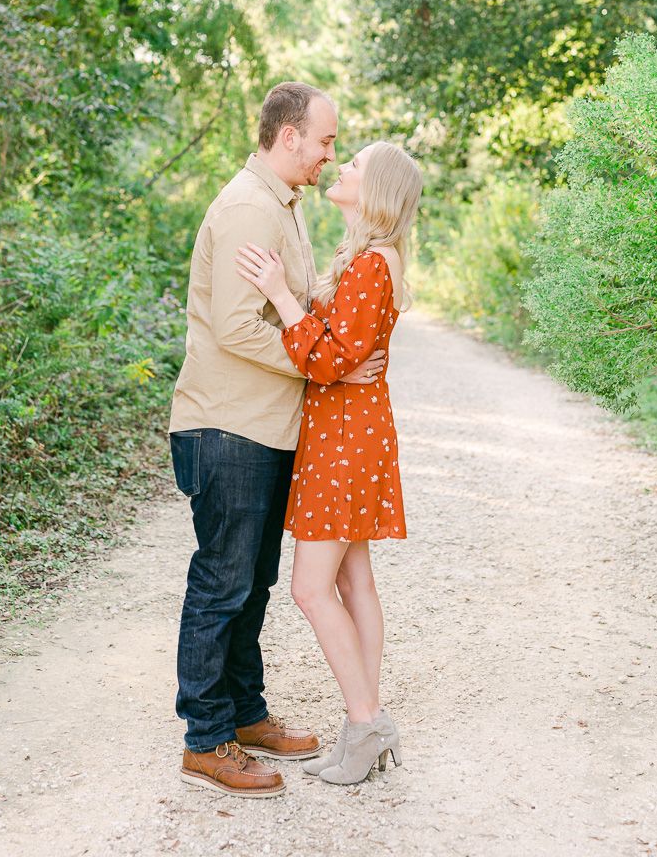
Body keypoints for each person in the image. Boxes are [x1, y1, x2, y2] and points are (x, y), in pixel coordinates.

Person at [168, 82, 386, 798]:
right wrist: (321, 358)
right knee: (222, 583)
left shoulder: (284, 206)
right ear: (289, 136)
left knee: (252, 582)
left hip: (266, 425)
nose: (330, 153)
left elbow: (300, 310)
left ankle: (245, 713)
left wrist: (338, 345)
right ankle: (206, 739)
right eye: (325, 141)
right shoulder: (245, 209)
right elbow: (235, 327)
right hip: (227, 424)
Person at [236, 140, 423, 786]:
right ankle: (362, 726)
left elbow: (327, 360)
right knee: (353, 583)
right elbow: (341, 351)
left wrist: (279, 295)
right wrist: (330, 340)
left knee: (311, 588)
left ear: (378, 192)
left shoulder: (373, 264)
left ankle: (367, 723)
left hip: (346, 439)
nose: (342, 167)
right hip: (350, 431)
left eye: (356, 165)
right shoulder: (366, 259)